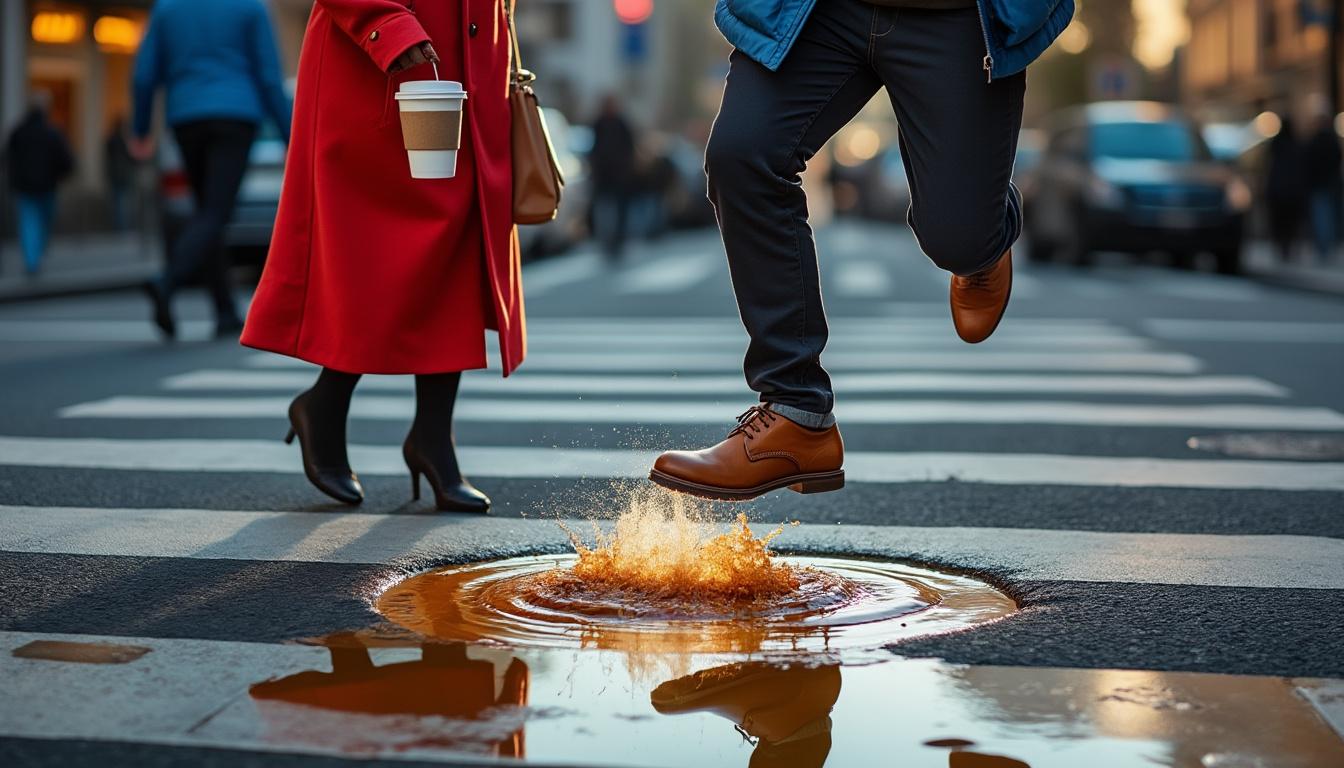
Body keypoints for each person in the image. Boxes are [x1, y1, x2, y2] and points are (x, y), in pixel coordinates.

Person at [650, 0, 1073, 500]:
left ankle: (981, 247)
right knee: (742, 154)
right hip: (817, 12)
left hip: (956, 16)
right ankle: (795, 410)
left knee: (958, 235)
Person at [241, 0, 524, 513]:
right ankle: (326, 406)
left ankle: (432, 438)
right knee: (372, 258)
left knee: (454, 246)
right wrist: (383, 24)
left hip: (467, 61)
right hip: (376, 61)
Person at [131, 0, 292, 339]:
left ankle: (224, 310)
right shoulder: (250, 7)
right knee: (216, 211)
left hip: (186, 117)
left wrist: (142, 127)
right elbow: (268, 75)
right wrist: (290, 135)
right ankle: (169, 281)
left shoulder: (168, 8)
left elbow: (145, 74)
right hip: (236, 114)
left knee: (208, 210)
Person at [5, 91, 73, 277]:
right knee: (40, 220)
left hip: (26, 186)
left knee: (30, 221)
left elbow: (8, 159)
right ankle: (34, 257)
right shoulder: (52, 133)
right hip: (46, 186)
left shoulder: (18, 132)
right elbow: (66, 161)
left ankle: (32, 257)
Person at [588, 95, 637, 259]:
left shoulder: (622, 124)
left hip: (620, 176)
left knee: (620, 209)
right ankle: (606, 240)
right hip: (603, 176)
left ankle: (618, 240)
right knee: (603, 209)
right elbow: (593, 147)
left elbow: (630, 148)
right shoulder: (599, 124)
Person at [1303, 108, 1343, 262]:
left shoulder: (1314, 141)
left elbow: (1308, 165)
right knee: (1330, 215)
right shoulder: (1332, 140)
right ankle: (1329, 246)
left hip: (1319, 185)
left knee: (1322, 217)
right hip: (1331, 184)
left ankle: (1324, 248)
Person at [1264, 116, 1305, 263]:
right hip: (1293, 191)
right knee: (1292, 222)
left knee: (1280, 222)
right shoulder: (1297, 144)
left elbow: (1268, 167)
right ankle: (1290, 248)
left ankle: (1282, 248)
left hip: (1279, 190)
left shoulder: (1276, 144)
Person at [104, 117, 136, 231]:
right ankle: (122, 227)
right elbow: (132, 157)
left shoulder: (111, 140)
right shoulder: (123, 141)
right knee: (123, 202)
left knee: (118, 202)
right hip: (123, 174)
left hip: (115, 174)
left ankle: (120, 227)